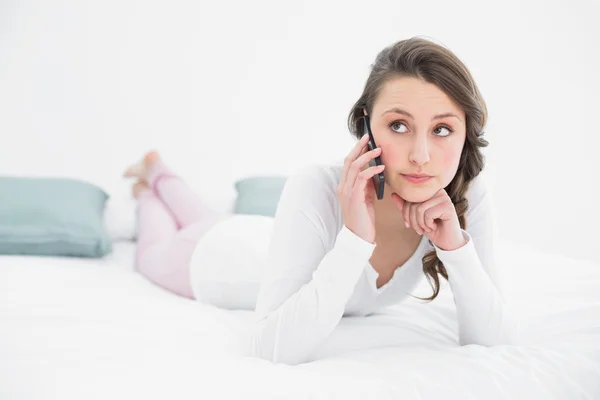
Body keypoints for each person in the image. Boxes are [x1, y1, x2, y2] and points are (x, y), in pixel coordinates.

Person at [124, 36, 519, 366]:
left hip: (258, 237)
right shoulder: (316, 184)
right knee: (152, 253)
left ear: (467, 132)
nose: (420, 155)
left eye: (443, 129)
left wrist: (455, 249)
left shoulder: (465, 193)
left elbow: (494, 340)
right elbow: (270, 350)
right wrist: (355, 240)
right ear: (367, 125)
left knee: (204, 216)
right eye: (398, 125)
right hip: (217, 259)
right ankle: (147, 187)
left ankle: (156, 169)